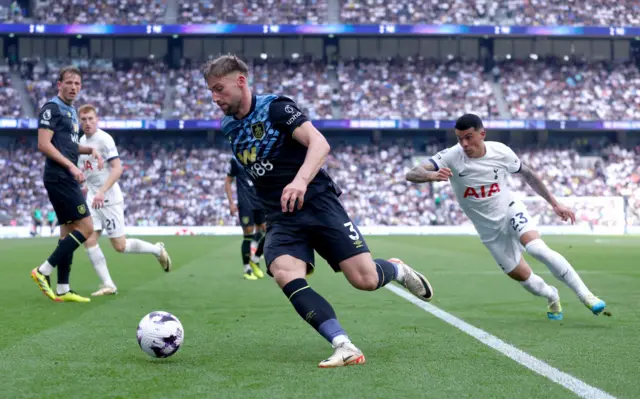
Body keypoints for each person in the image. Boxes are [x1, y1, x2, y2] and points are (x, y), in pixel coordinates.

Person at [203, 55, 434, 368]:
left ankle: (396, 270)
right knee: (284, 272)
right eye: (211, 91)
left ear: (240, 81)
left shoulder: (276, 108)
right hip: (281, 216)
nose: (215, 98)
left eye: (219, 89)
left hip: (317, 202)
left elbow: (319, 144)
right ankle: (344, 344)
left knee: (364, 280)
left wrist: (299, 181)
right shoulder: (229, 126)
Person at [406, 113, 607, 320]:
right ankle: (551, 295)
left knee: (538, 249)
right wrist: (431, 175)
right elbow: (412, 173)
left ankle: (587, 295)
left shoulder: (501, 152)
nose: (464, 144)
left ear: (482, 134)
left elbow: (528, 174)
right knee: (522, 277)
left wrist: (555, 203)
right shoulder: (451, 156)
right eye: (459, 139)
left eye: (468, 137)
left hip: (510, 209)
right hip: (489, 230)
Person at [77, 104, 172, 296]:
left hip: (108, 198)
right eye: (84, 119)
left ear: (97, 120)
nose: (87, 123)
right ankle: (108, 285)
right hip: (92, 199)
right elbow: (88, 174)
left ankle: (156, 249)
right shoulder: (81, 142)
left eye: (91, 119)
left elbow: (118, 168)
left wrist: (102, 192)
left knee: (120, 246)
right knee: (89, 239)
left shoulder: (104, 139)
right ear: (80, 122)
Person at [30, 66, 102, 303]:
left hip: (65, 176)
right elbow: (44, 144)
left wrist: (89, 149)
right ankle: (43, 270)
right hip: (59, 176)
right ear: (59, 84)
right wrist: (71, 166)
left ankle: (62, 288)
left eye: (77, 84)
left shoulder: (70, 111)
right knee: (87, 228)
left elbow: (68, 146)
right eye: (69, 83)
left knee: (68, 232)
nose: (73, 87)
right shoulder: (52, 108)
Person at [224, 157, 266, 280]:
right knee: (248, 235)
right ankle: (247, 269)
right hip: (245, 203)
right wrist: (231, 203)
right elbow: (228, 181)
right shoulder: (236, 160)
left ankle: (255, 259)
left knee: (270, 232)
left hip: (261, 202)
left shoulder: (263, 157)